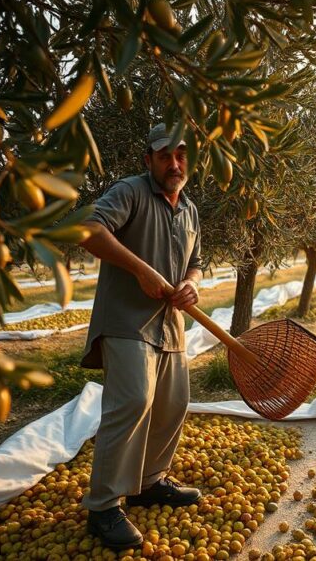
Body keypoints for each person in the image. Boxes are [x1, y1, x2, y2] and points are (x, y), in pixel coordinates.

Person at [79, 123, 204, 550]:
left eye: (181, 155)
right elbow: (91, 232)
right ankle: (103, 506)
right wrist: (140, 269)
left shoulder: (189, 209)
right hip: (126, 321)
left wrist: (193, 283)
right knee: (133, 399)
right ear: (148, 159)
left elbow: (197, 263)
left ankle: (149, 481)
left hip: (170, 325)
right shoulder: (130, 191)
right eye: (165, 155)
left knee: (174, 403)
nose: (174, 163)